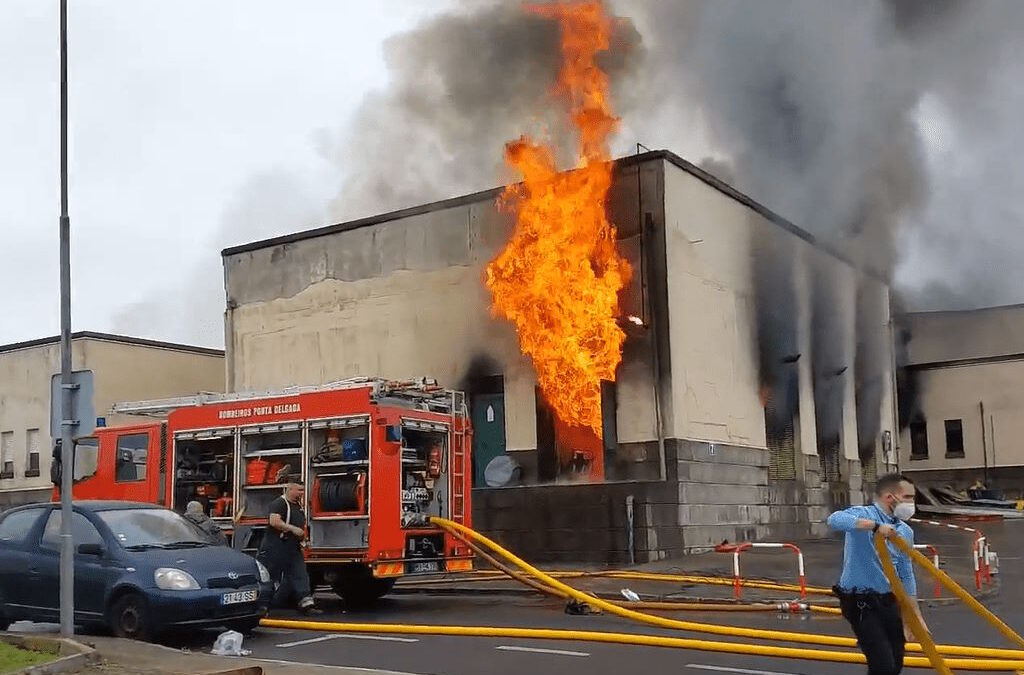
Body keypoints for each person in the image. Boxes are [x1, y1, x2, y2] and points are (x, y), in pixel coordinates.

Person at [827, 473, 928, 675]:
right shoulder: (865, 514)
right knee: (882, 665)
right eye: (908, 497)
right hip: (859, 601)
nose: (912, 503)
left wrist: (915, 617)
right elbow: (835, 520)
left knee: (896, 661)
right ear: (890, 497)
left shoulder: (905, 531)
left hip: (888, 600)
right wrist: (873, 527)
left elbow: (906, 575)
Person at [257, 481, 322, 615]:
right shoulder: (279, 503)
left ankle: (307, 605)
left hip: (292, 546)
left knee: (300, 574)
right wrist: (293, 529)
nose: (302, 493)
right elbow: (274, 521)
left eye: (303, 490)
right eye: (299, 490)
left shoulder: (298, 506)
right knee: (270, 575)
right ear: (290, 489)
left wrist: (303, 539)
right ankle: (262, 606)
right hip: (276, 546)